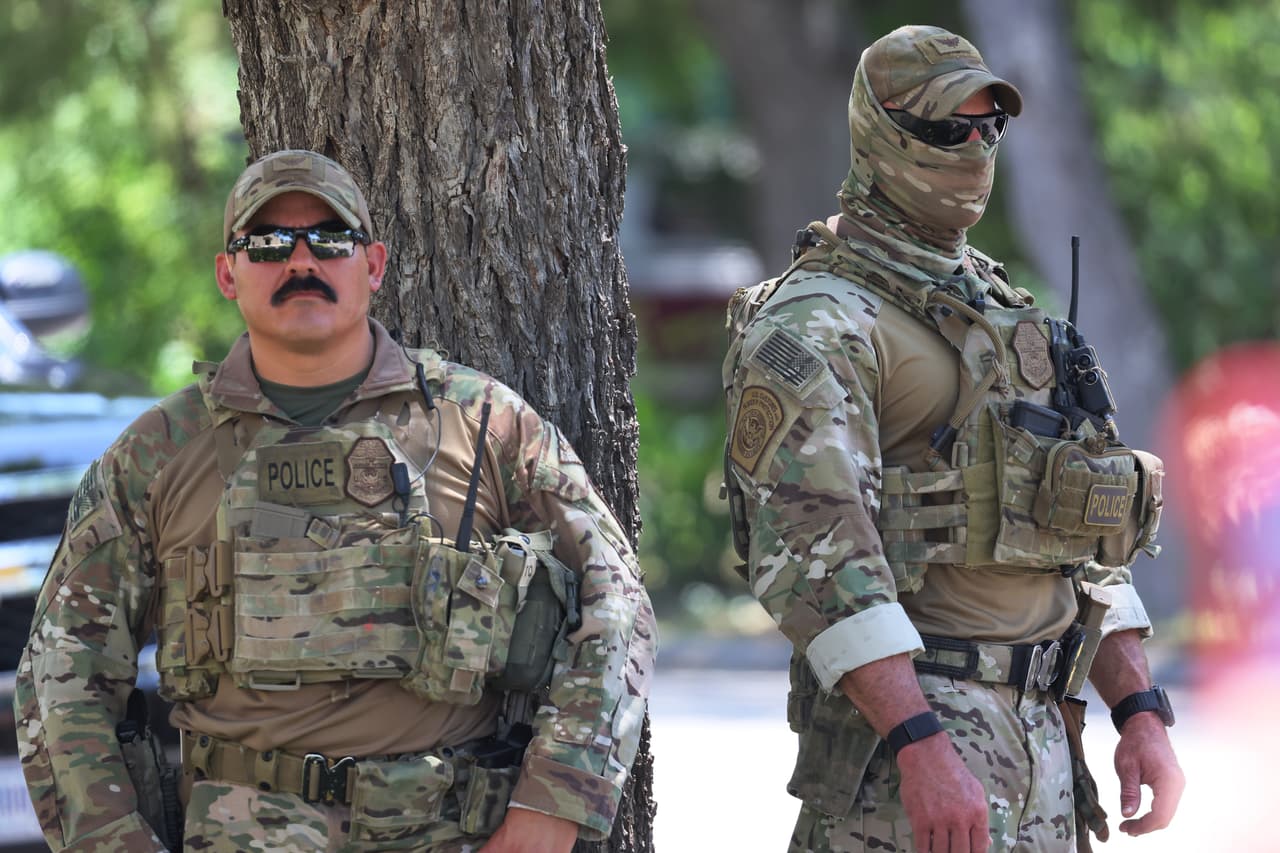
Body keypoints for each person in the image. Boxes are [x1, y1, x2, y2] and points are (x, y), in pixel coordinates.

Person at [15, 149, 655, 852]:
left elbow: (616, 598)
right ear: (229, 273)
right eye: (267, 243)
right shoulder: (158, 454)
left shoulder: (484, 425)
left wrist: (551, 806)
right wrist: (111, 839)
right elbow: (62, 666)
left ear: (372, 264)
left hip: (448, 833)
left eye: (330, 239)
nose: (300, 261)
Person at [722, 26, 1183, 853]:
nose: (973, 147)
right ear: (882, 134)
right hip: (910, 756)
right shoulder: (819, 321)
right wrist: (920, 743)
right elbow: (816, 556)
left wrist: (1140, 711)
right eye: (946, 129)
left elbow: (1081, 528)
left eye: (987, 127)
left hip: (1046, 742)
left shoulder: (1004, 309)